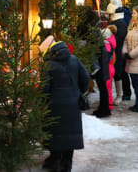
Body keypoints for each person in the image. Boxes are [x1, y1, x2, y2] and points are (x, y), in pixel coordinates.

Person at [40, 35, 90, 172]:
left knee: (56, 136)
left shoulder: (49, 66)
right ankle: (67, 166)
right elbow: (86, 78)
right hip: (73, 104)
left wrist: (41, 104)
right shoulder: (74, 59)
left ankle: (54, 163)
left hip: (54, 106)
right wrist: (78, 92)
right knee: (70, 136)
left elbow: (44, 90)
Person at [107, 0, 128, 104]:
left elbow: (120, 37)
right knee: (116, 72)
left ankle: (120, 95)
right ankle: (119, 94)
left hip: (117, 51)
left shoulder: (121, 23)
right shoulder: (116, 22)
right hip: (113, 51)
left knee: (118, 73)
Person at [92, 25, 116, 118]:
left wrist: (98, 69)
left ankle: (105, 110)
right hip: (105, 70)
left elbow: (104, 60)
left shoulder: (105, 45)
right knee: (104, 90)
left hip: (104, 71)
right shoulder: (107, 44)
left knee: (104, 90)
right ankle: (103, 108)